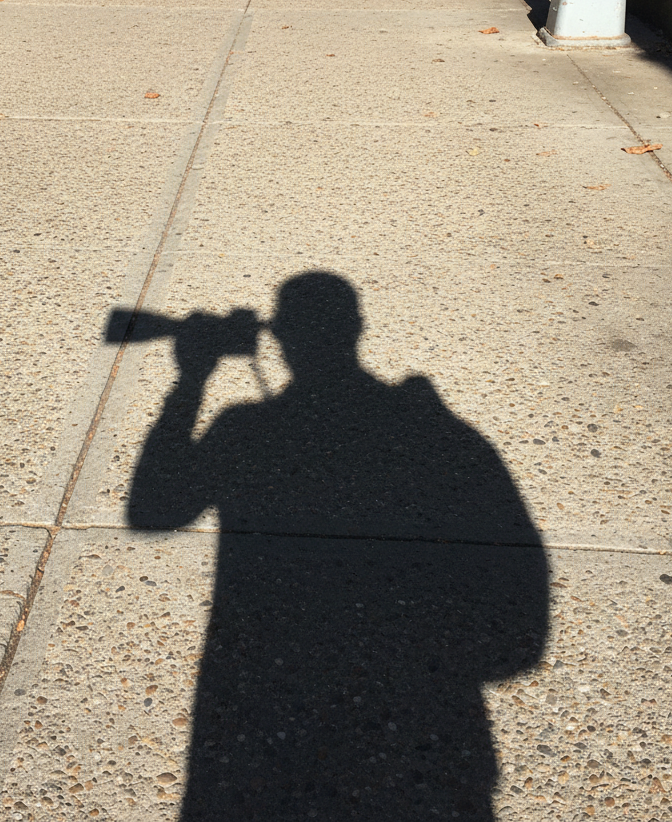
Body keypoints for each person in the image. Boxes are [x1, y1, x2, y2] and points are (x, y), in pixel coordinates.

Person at [128, 271, 549, 822]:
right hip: (423, 737)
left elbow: (153, 509)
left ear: (277, 341)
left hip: (260, 714)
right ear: (357, 330)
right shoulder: (442, 436)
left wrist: (190, 381)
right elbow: (519, 635)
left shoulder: (245, 430)